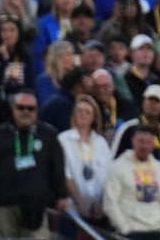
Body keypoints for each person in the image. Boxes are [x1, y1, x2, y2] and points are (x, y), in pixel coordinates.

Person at [0, 88, 70, 239]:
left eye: (31, 108)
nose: (26, 112)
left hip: (37, 207)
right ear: (13, 109)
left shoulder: (48, 134)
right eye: (21, 107)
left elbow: (57, 168)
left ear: (37, 110)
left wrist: (62, 195)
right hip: (3, 205)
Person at [103, 124, 160, 240]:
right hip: (130, 232)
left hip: (156, 231)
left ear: (153, 144)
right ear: (133, 141)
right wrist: (125, 229)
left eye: (148, 142)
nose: (144, 146)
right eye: (141, 141)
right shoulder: (119, 166)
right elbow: (110, 202)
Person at [59, 94, 112, 225]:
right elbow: (66, 176)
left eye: (87, 112)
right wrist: (80, 204)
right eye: (79, 111)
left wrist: (102, 205)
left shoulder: (101, 143)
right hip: (73, 208)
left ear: (94, 117)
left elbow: (110, 175)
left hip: (100, 209)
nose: (83, 114)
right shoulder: (63, 140)